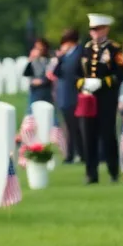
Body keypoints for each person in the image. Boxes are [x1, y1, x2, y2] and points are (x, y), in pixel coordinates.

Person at [78, 13, 123, 184]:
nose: (94, 33)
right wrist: (83, 83)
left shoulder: (113, 49)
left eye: (98, 29)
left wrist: (103, 82)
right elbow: (77, 73)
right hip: (89, 97)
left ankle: (113, 171)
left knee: (107, 134)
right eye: (92, 30)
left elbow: (120, 74)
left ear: (106, 29)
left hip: (106, 98)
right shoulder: (86, 48)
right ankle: (91, 173)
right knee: (88, 135)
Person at [53, 29, 83, 163]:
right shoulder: (64, 57)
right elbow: (57, 73)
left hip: (75, 94)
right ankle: (70, 154)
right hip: (64, 96)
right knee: (69, 127)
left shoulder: (80, 53)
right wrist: (59, 59)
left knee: (77, 127)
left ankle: (81, 153)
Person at [23, 38, 54, 112]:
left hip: (46, 90)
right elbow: (26, 73)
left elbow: (50, 74)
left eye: (40, 47)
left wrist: (42, 81)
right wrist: (30, 60)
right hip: (34, 90)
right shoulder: (34, 61)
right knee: (31, 112)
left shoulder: (50, 60)